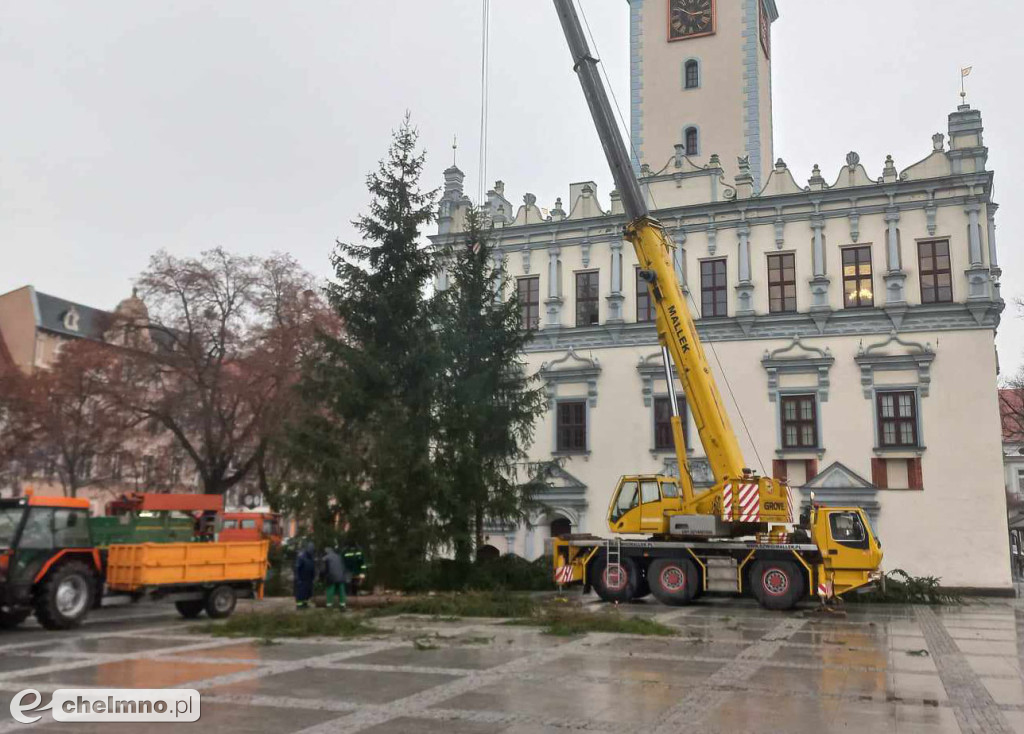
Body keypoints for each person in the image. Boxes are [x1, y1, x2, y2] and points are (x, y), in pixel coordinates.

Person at [321, 546, 347, 610]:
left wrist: (321, 578)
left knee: (330, 590)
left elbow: (323, 569)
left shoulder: (326, 558)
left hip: (332, 577)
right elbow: (343, 567)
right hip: (341, 577)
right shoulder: (339, 557)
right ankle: (342, 605)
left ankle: (329, 605)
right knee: (341, 591)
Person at [293, 540, 316, 610]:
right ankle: (299, 605)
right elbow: (297, 567)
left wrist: (313, 576)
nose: (311, 551)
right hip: (301, 578)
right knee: (301, 592)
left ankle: (305, 604)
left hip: (309, 578)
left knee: (307, 592)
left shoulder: (311, 557)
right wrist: (297, 577)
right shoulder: (301, 556)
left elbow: (313, 567)